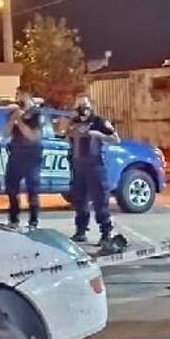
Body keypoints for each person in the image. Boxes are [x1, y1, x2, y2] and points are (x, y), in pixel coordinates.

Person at [66, 95, 120, 244]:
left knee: (99, 201)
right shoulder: (73, 123)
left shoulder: (98, 121)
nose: (82, 109)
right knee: (79, 200)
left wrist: (99, 135)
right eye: (79, 106)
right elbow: (68, 139)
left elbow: (115, 138)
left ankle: (106, 233)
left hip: (95, 165)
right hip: (78, 166)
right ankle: (81, 231)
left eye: (85, 106)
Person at [4, 88, 44, 230]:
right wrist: (13, 118)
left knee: (32, 189)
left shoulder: (36, 114)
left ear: (27, 95)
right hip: (15, 155)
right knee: (12, 189)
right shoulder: (15, 112)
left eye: (19, 95)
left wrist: (19, 120)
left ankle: (33, 221)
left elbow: (33, 136)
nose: (17, 97)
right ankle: (13, 219)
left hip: (31, 156)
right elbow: (5, 133)